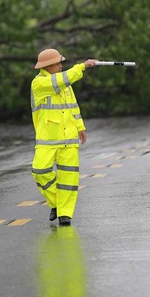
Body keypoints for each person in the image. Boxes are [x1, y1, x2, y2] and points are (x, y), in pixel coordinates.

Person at [30, 48, 97, 226]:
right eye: (58, 63)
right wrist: (82, 66)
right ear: (48, 66)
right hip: (47, 140)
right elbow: (62, 79)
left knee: (69, 178)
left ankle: (65, 214)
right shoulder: (39, 84)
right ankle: (57, 203)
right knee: (40, 171)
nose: (60, 66)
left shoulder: (63, 84)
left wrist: (80, 127)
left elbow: (73, 106)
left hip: (69, 139)